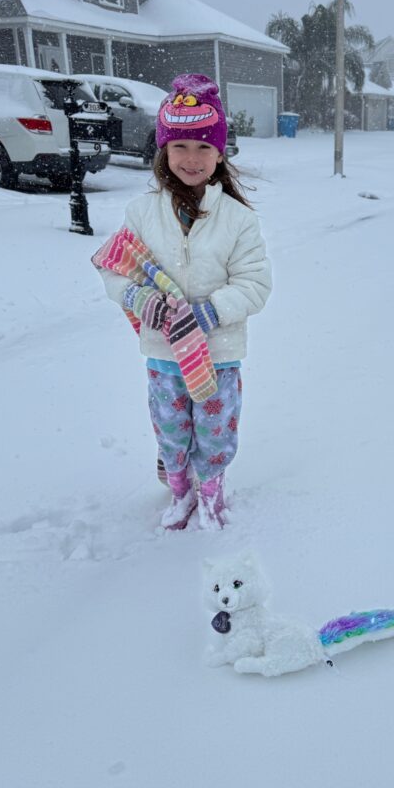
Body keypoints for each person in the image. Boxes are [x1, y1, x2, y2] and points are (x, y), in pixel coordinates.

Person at [96, 74, 272, 530]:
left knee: (215, 433)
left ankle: (211, 491)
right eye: (180, 147)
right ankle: (179, 490)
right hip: (163, 354)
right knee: (171, 430)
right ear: (163, 151)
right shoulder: (141, 212)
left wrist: (208, 312)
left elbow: (255, 283)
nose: (191, 159)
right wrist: (138, 298)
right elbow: (116, 268)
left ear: (220, 153)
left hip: (218, 355)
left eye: (203, 148)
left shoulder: (237, 219)